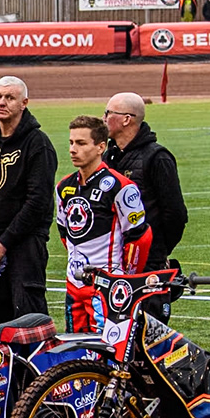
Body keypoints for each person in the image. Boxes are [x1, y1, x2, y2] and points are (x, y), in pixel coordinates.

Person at [0, 77, 56, 322]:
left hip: (24, 246)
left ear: (24, 103)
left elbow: (37, 202)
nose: (1, 102)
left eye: (9, 98)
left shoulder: (37, 143)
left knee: (27, 318)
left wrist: (2, 245)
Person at [57, 115, 151, 334]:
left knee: (106, 353)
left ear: (101, 147)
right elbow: (65, 233)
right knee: (75, 351)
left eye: (81, 143)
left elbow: (139, 237)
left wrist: (124, 278)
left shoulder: (120, 186)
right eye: (71, 142)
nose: (73, 149)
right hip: (74, 285)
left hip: (106, 288)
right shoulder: (63, 187)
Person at [102, 92, 187, 273]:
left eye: (108, 113)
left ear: (126, 119)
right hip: (112, 258)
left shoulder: (157, 158)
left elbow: (175, 214)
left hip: (148, 261)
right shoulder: (107, 157)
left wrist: (157, 250)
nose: (104, 119)